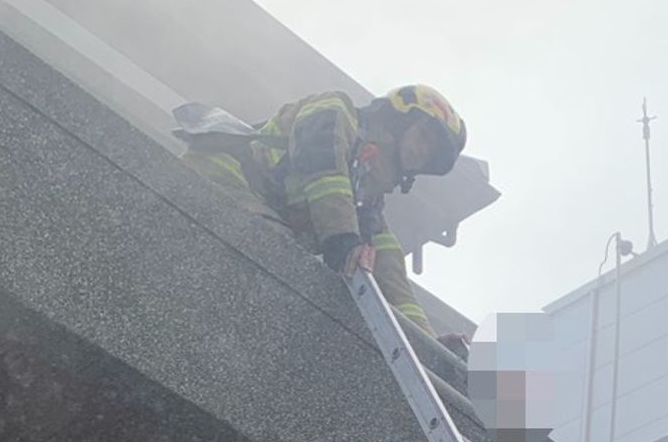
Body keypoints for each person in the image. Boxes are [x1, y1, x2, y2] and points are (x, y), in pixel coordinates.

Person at [175, 83, 467, 341]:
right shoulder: (335, 109)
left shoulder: (368, 207)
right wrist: (342, 238)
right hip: (222, 174)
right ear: (400, 120)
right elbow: (322, 164)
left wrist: (426, 343)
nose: (422, 151)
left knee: (284, 265)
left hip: (258, 219)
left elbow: (392, 278)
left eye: (430, 152)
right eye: (423, 137)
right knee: (278, 254)